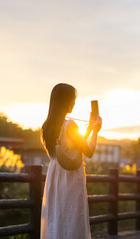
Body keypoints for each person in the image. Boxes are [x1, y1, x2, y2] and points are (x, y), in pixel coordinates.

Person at [40, 83, 102, 239]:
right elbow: (88, 151)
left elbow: (72, 144)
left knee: (57, 218)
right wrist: (95, 131)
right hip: (70, 177)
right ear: (65, 100)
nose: (74, 103)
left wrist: (88, 129)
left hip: (55, 175)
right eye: (73, 99)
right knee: (72, 218)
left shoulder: (47, 126)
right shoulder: (70, 125)